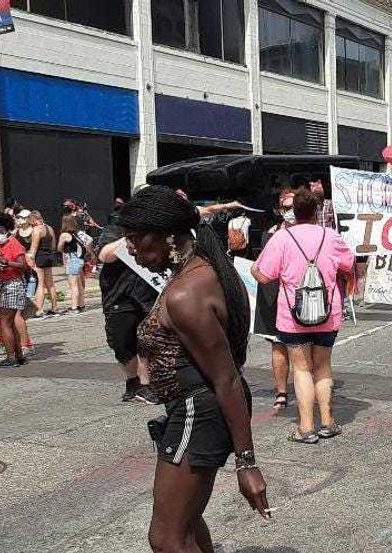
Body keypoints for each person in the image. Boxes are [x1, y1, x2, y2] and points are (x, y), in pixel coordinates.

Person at [117, 186, 270, 552]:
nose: (130, 249)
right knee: (185, 523)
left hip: (197, 413)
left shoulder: (187, 293)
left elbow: (226, 378)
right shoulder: (199, 270)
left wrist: (247, 463)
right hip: (191, 410)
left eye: (136, 239)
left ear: (167, 235)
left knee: (166, 538)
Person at [253, 190, 355, 444]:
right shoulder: (330, 236)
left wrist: (258, 267)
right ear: (316, 211)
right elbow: (348, 265)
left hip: (292, 317)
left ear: (293, 212)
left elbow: (263, 275)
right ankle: (328, 422)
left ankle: (306, 427)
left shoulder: (281, 238)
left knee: (301, 369)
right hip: (327, 314)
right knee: (323, 367)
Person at [95, 210, 160, 405]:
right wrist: (131, 237)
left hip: (148, 295)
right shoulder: (116, 228)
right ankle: (133, 381)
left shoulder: (157, 228)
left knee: (148, 341)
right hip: (119, 296)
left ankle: (148, 385)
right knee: (121, 344)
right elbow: (105, 255)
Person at [252, 189, 296, 411]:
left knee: (304, 347)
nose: (290, 212)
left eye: (294, 207)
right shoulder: (271, 234)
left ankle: (308, 387)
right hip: (275, 296)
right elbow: (261, 267)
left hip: (301, 297)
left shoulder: (311, 232)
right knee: (278, 345)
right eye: (286, 208)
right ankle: (281, 392)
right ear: (279, 210)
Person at [0, 214, 30, 368]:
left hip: (12, 285)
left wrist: (6, 262)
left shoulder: (13, 243)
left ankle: (11, 357)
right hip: (8, 283)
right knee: (10, 323)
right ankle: (18, 355)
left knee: (5, 322)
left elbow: (23, 265)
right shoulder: (2, 246)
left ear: (7, 230)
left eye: (0, 231)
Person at [17, 210, 60, 318]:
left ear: (33, 220)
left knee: (40, 283)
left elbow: (34, 247)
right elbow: (53, 245)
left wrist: (29, 258)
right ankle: (55, 308)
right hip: (49, 256)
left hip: (39, 257)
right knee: (50, 284)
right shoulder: (49, 228)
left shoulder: (37, 229)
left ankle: (39, 310)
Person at [57, 214, 94, 314]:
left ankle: (74, 307)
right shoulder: (75, 234)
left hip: (72, 260)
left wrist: (62, 244)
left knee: (73, 285)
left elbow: (59, 248)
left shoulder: (64, 235)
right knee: (79, 284)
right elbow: (89, 240)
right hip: (79, 259)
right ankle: (81, 305)